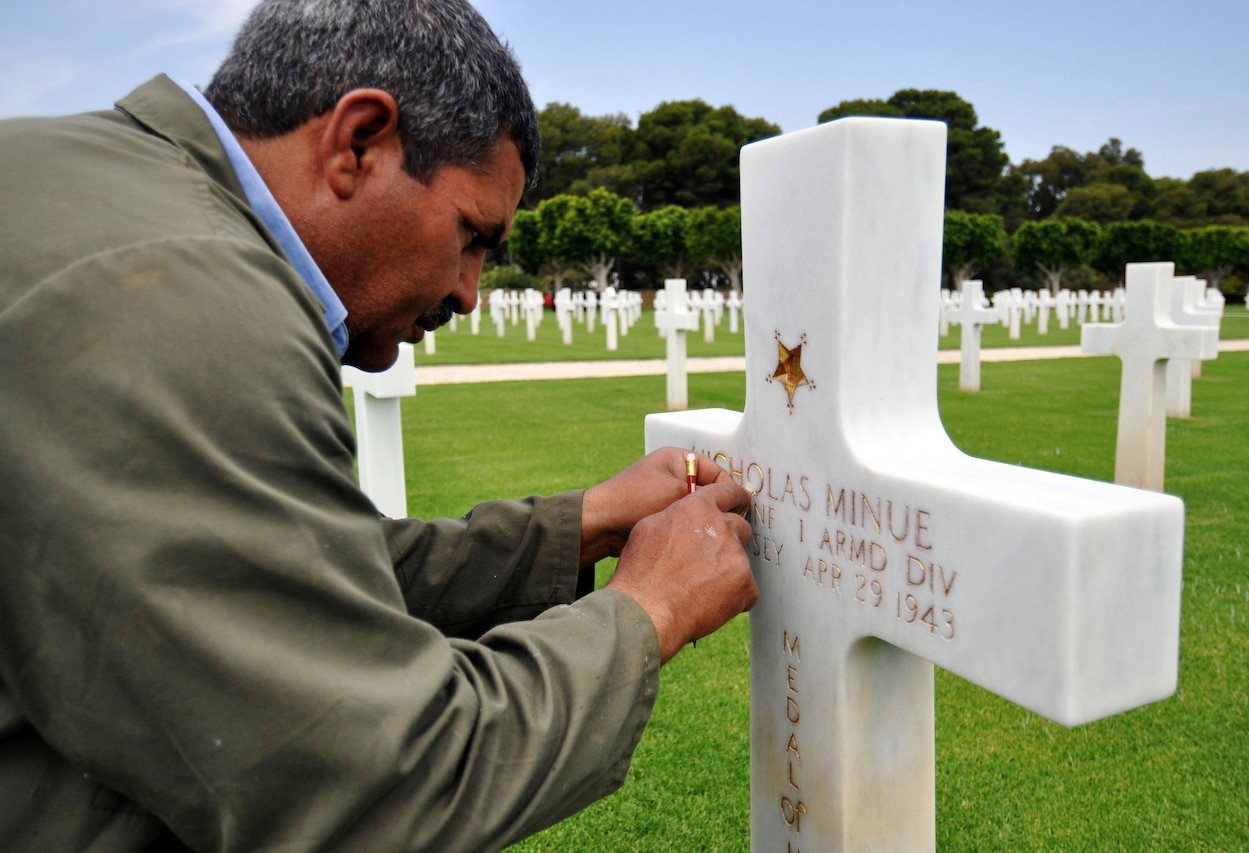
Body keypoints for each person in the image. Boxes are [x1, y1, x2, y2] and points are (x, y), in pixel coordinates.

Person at [0, 1, 758, 850]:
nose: (470, 292)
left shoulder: (99, 188)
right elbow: (374, 782)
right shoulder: (194, 298)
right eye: (472, 234)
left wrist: (576, 524)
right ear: (358, 142)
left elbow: (280, 572)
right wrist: (646, 608)